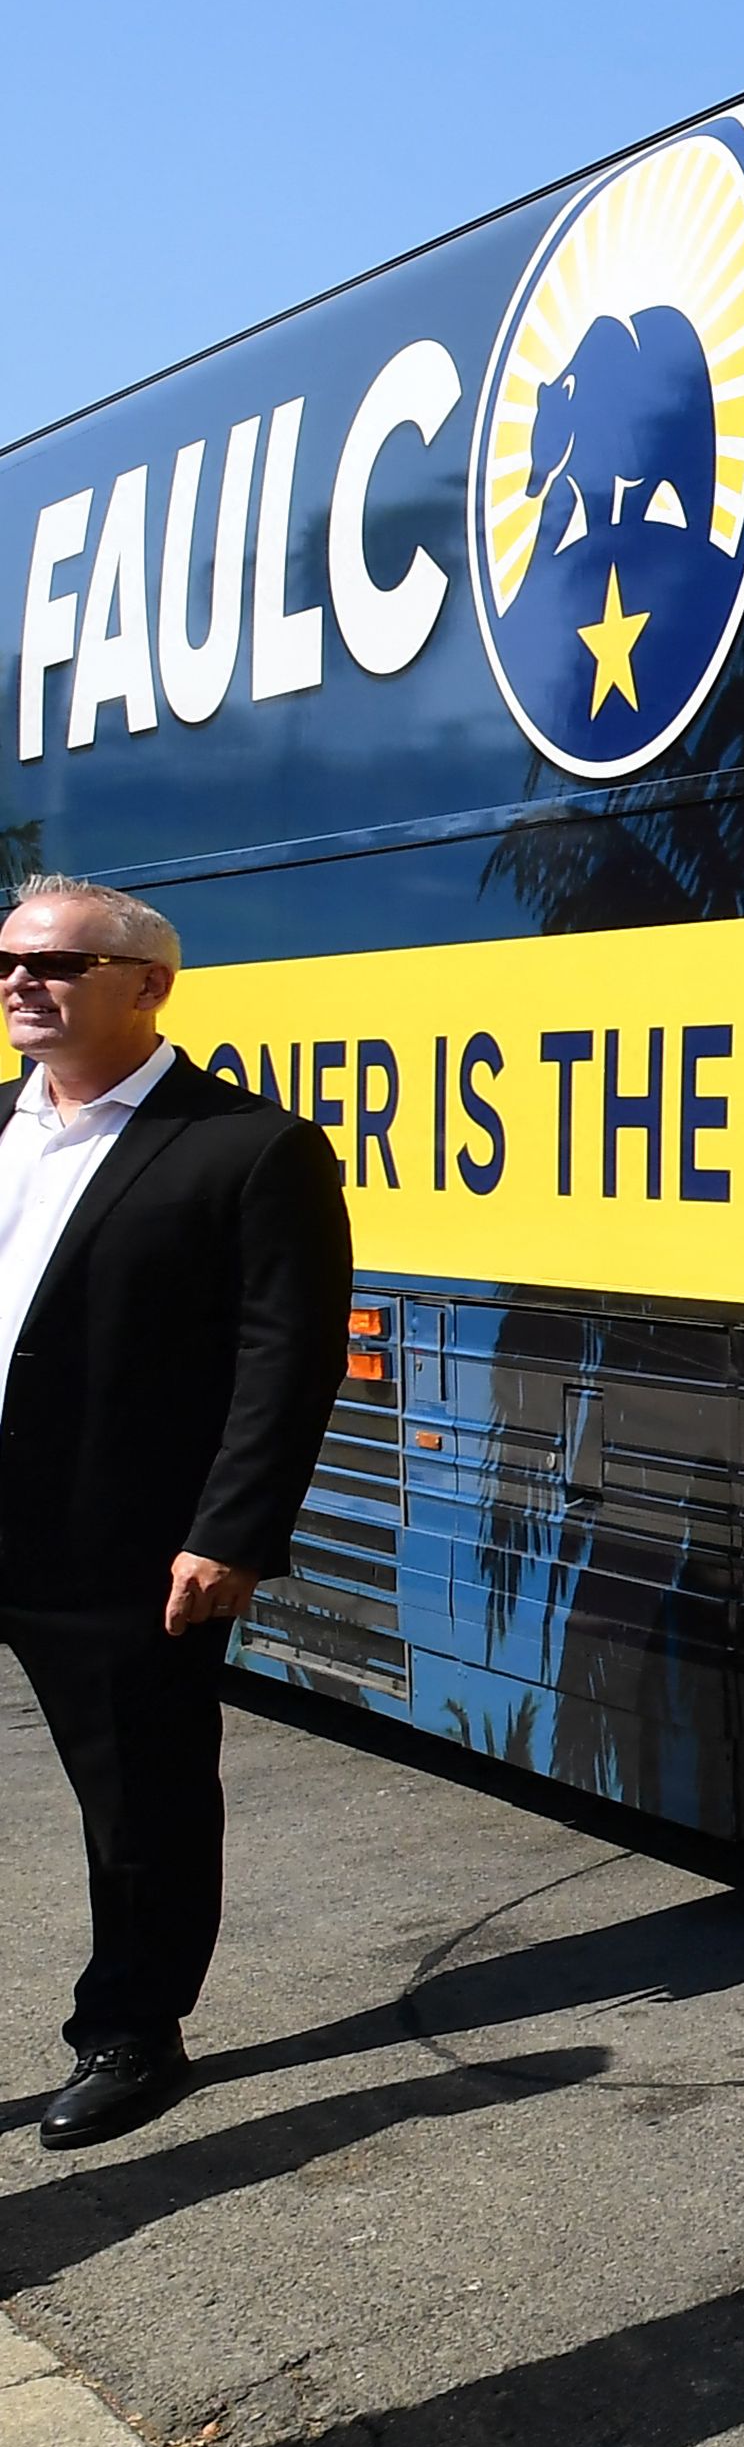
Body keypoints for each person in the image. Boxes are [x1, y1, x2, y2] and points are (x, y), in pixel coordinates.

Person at [0, 879, 351, 2149]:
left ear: (147, 986)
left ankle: (133, 2029)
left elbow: (286, 1357)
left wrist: (232, 1530)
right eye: (10, 961)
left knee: (140, 1801)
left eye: (60, 962)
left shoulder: (248, 1147)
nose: (22, 981)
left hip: (125, 1541)